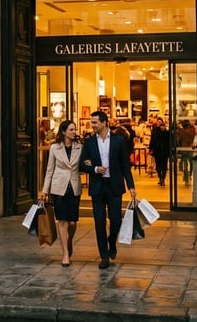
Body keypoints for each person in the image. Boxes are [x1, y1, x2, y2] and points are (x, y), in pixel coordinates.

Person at [80, 109, 137, 269]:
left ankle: (112, 241)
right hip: (98, 186)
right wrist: (95, 169)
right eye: (91, 122)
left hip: (114, 186)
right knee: (99, 222)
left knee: (116, 220)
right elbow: (82, 164)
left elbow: (125, 165)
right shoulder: (89, 142)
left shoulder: (119, 141)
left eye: (95, 122)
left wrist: (131, 186)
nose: (92, 125)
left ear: (104, 123)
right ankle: (104, 256)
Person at [39, 120, 83, 267]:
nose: (74, 132)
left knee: (72, 222)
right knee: (62, 220)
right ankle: (65, 253)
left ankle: (69, 240)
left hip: (74, 187)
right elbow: (49, 170)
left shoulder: (79, 147)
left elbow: (83, 165)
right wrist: (44, 191)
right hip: (58, 188)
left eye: (74, 129)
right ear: (63, 132)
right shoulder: (54, 148)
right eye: (71, 129)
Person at [149, 115, 170, 187]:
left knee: (164, 166)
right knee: (158, 166)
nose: (162, 127)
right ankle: (160, 177)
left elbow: (169, 143)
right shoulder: (155, 133)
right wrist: (151, 149)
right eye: (161, 126)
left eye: (163, 126)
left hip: (164, 152)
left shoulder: (167, 133)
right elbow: (152, 141)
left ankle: (162, 179)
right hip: (157, 152)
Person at [176, 119, 197, 185]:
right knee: (191, 163)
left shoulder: (181, 131)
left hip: (183, 149)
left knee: (185, 163)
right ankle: (190, 175)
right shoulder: (192, 130)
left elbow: (179, 140)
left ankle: (186, 177)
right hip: (190, 148)